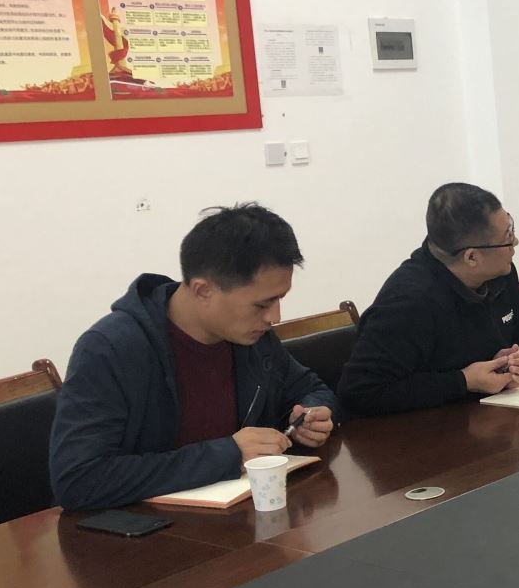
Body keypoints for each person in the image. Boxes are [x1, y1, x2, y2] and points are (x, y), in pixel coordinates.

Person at [51, 204, 336, 511]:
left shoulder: (251, 338)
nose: (274, 317)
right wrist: (228, 454)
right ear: (202, 291)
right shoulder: (110, 349)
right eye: (262, 304)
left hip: (242, 519)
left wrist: (309, 416)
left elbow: (312, 389)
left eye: (280, 299)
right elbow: (78, 480)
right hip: (146, 530)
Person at [339, 183, 519, 416]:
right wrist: (463, 381)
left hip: (493, 417)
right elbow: (359, 393)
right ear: (472, 257)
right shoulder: (410, 301)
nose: (516, 242)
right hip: (426, 429)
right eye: (507, 237)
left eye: (511, 227)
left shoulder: (500, 274)